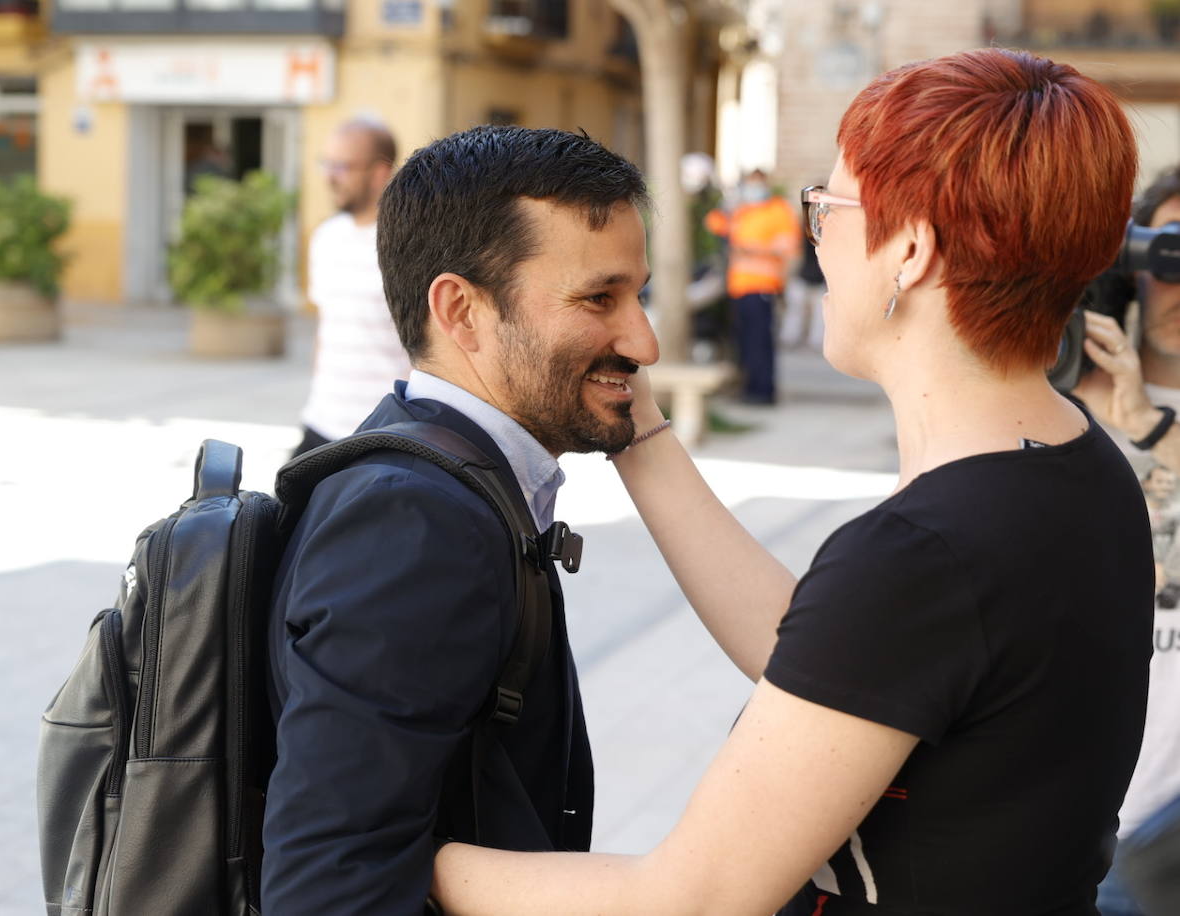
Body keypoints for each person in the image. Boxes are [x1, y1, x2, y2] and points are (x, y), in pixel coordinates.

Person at [431, 48, 1154, 916]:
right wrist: (642, 436)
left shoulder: (926, 556)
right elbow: (840, 661)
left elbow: (691, 898)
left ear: (911, 250)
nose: (817, 237)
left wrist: (382, 850)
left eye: (829, 208)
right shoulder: (1082, 466)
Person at [262, 126, 658, 912]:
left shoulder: (441, 476)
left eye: (639, 295)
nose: (643, 340)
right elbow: (329, 886)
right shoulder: (415, 524)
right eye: (598, 299)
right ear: (461, 311)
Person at [1074, 164, 1180, 916]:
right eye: (1171, 253)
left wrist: (1151, 427)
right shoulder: (1063, 403)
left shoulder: (1140, 418)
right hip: (1077, 824)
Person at [292, 117, 410, 458]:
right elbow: (326, 330)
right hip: (320, 425)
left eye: (342, 166)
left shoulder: (407, 246)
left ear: (379, 173)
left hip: (384, 435)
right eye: (327, 163)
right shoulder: (326, 238)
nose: (329, 176)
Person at [705, 168, 800, 404]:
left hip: (763, 286)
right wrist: (728, 206)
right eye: (749, 184)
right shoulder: (743, 211)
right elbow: (714, 223)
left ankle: (763, 391)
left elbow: (787, 248)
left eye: (756, 184)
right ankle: (748, 389)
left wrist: (752, 249)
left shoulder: (778, 211)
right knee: (744, 341)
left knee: (760, 341)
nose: (753, 189)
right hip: (739, 287)